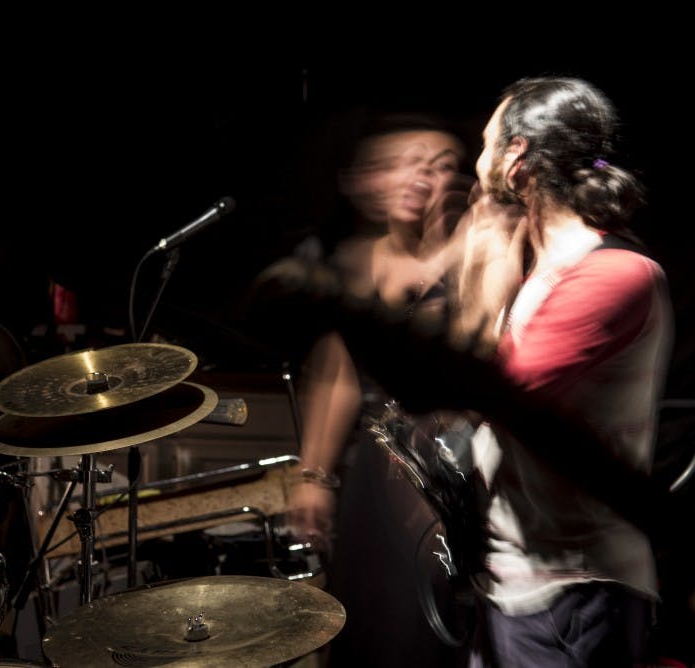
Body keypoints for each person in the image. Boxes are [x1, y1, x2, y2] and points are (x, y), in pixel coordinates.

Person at [446, 76, 673, 667]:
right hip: (515, 583)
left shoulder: (615, 275)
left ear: (516, 156)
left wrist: (481, 271)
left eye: (486, 142)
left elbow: (488, 392)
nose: (476, 161)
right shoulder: (539, 279)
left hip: (574, 589)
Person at [287, 111, 479, 667]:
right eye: (402, 165)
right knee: (366, 618)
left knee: (427, 623)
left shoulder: (475, 254)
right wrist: (314, 475)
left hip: (446, 470)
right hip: (375, 465)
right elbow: (338, 375)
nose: (418, 178)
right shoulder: (360, 260)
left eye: (439, 166)